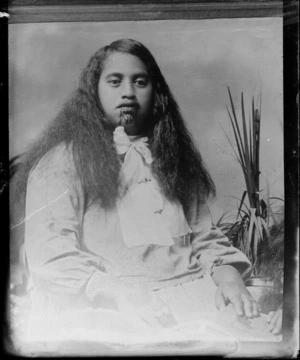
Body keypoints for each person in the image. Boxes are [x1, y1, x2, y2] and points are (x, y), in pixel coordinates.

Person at [11, 39, 263, 344]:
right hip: (113, 305)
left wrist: (228, 276)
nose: (128, 92)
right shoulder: (63, 163)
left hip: (190, 292)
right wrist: (120, 294)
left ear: (155, 93)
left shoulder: (172, 159)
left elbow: (203, 236)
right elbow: (51, 254)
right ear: (94, 90)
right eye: (115, 81)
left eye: (140, 81)